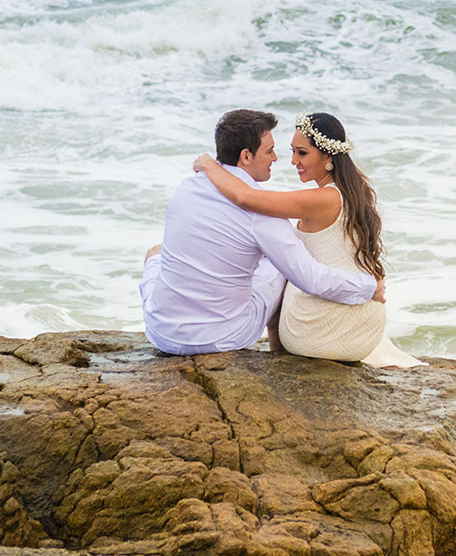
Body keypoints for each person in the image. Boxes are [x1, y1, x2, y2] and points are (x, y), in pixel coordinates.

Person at [140, 109, 386, 356]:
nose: (278, 159)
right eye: (270, 151)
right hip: (221, 338)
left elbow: (241, 201)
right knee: (282, 264)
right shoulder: (264, 215)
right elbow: (310, 278)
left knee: (155, 253)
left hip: (161, 333)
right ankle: (278, 354)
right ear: (246, 156)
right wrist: (368, 287)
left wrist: (207, 164)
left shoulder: (187, 186)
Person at [193, 112, 424, 368]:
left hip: (321, 328)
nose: (293, 161)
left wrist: (209, 165)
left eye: (301, 153)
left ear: (327, 156)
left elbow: (246, 198)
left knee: (278, 266)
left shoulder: (323, 199)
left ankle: (278, 360)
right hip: (361, 322)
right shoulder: (354, 190)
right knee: (282, 257)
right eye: (292, 151)